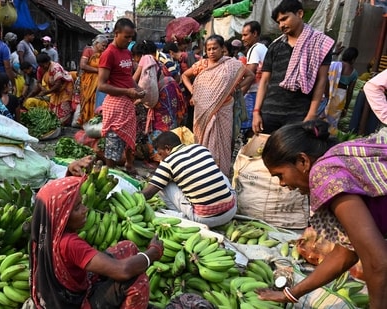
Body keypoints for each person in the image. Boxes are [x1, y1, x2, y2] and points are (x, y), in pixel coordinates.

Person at [256, 120, 387, 309]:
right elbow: (345, 254)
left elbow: (378, 262)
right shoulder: (336, 163)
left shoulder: (324, 174)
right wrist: (291, 294)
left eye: (280, 175)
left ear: (303, 161)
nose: (281, 184)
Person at [30, 158, 164, 308]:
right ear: (62, 216)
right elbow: (123, 271)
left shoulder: (44, 231)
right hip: (75, 303)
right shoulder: (70, 244)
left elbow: (57, 200)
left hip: (60, 294)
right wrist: (152, 253)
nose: (85, 209)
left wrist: (70, 173)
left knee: (127, 247)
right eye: (77, 208)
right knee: (136, 279)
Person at [252, 0, 334, 135]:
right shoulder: (275, 47)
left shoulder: (320, 44)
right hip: (269, 113)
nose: (281, 25)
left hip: (298, 115)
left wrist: (312, 114)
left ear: (300, 13)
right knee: (264, 152)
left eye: (284, 19)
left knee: (292, 155)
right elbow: (265, 81)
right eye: (279, 22)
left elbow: (321, 80)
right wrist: (256, 112)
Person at [181, 35, 254, 176]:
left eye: (215, 48)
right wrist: (193, 92)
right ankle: (202, 173)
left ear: (222, 49)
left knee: (223, 143)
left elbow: (250, 75)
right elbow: (185, 75)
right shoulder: (201, 64)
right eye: (208, 49)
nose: (211, 51)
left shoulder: (232, 65)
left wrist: (237, 89)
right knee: (201, 143)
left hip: (224, 110)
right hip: (202, 110)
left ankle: (220, 175)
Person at [142, 132, 237, 227]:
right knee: (217, 173)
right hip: (231, 211)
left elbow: (149, 193)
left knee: (162, 185)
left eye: (160, 154)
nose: (160, 158)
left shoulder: (168, 162)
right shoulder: (200, 148)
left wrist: (131, 196)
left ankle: (181, 217)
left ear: (167, 148)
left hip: (204, 220)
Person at [97, 18, 146, 176]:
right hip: (115, 104)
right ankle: (110, 173)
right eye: (126, 36)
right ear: (116, 33)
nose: (129, 40)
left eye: (132, 37)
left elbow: (127, 76)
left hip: (128, 103)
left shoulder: (126, 52)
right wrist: (127, 92)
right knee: (113, 142)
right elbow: (102, 85)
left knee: (130, 138)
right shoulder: (108, 54)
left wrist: (138, 88)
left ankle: (129, 166)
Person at [132, 41, 185, 140]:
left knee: (161, 123)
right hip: (170, 91)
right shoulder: (153, 59)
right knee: (170, 121)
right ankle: (169, 147)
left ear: (137, 55)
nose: (134, 60)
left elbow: (133, 81)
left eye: (134, 57)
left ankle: (161, 149)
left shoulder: (144, 59)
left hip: (164, 94)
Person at [319, 47, 359, 134]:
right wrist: (346, 107)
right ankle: (329, 136)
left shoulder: (333, 65)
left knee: (321, 115)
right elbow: (350, 91)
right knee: (333, 120)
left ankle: (317, 132)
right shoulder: (354, 73)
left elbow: (324, 77)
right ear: (354, 58)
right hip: (340, 97)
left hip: (327, 91)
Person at [27, 53, 73, 125]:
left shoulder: (55, 68)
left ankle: (65, 123)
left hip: (64, 88)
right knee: (53, 110)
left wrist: (47, 92)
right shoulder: (40, 69)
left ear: (48, 61)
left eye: (45, 64)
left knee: (63, 109)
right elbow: (38, 82)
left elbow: (58, 84)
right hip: (54, 90)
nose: (44, 66)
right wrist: (42, 89)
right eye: (41, 65)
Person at [240, 21, 268, 137]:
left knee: (250, 129)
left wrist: (239, 94)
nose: (243, 38)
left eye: (245, 35)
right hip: (262, 92)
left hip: (255, 93)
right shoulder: (262, 48)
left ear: (255, 33)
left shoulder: (255, 49)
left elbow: (250, 75)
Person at [78, 35, 108, 125]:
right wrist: (97, 70)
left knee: (98, 99)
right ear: (97, 43)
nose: (104, 47)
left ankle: (96, 120)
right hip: (89, 80)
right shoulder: (89, 50)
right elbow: (83, 65)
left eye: (105, 46)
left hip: (100, 80)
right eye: (103, 45)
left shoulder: (104, 53)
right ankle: (87, 120)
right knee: (89, 100)